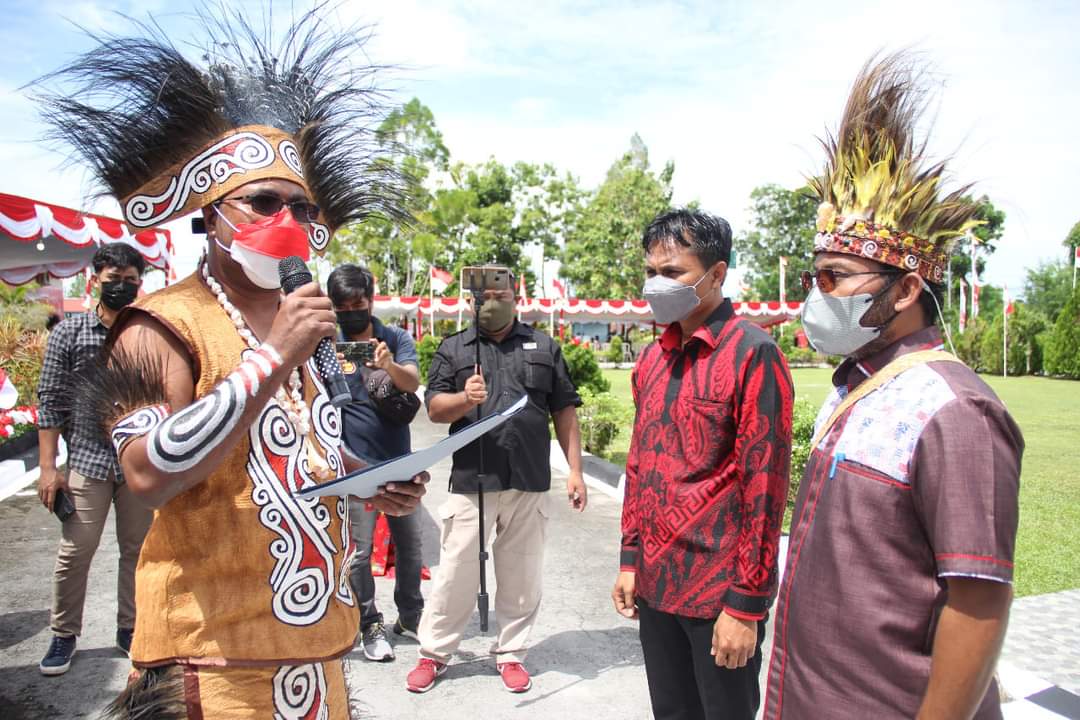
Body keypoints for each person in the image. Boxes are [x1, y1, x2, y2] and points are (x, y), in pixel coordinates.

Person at [34, 8, 426, 718]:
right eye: (262, 202)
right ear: (210, 213)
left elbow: (293, 451)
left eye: (301, 208)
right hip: (209, 654)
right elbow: (147, 472)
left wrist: (366, 482)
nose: (286, 221)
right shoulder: (159, 325)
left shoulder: (302, 321)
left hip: (317, 645)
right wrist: (274, 357)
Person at [763, 53, 1023, 720]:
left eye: (834, 278)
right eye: (813, 277)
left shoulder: (955, 411)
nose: (816, 295)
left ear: (906, 289)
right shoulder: (859, 384)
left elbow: (979, 599)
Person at [613, 209, 794, 720]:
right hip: (655, 584)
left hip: (718, 594)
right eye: (651, 272)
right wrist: (630, 559)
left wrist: (746, 603)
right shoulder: (653, 359)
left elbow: (766, 488)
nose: (657, 284)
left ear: (716, 274)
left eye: (673, 272)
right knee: (671, 712)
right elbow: (639, 466)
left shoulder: (753, 353)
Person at [406, 267, 587, 694]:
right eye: (482, 296)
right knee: (456, 569)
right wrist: (464, 398)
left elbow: (563, 409)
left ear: (515, 296)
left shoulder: (543, 346)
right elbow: (435, 409)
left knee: (522, 571)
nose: (491, 302)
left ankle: (511, 653)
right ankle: (434, 652)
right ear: (472, 301)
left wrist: (575, 471)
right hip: (474, 477)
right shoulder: (455, 348)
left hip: (528, 478)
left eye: (499, 294)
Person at [36, 242, 153, 676]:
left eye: (130, 281)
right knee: (76, 550)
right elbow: (49, 402)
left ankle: (130, 628)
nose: (121, 287)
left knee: (137, 550)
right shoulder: (69, 333)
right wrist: (48, 469)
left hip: (136, 460)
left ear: (140, 284)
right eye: (113, 280)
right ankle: (64, 633)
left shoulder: (146, 333)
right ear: (94, 281)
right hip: (87, 460)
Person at [327, 263, 425, 662]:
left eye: (359, 304)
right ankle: (369, 623)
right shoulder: (328, 344)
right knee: (360, 553)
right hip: (355, 466)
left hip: (400, 464)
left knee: (411, 546)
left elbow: (412, 383)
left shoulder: (395, 338)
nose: (352, 312)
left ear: (371, 300)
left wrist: (387, 365)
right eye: (343, 307)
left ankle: (412, 617)